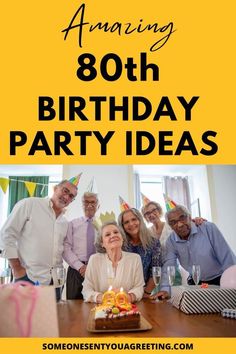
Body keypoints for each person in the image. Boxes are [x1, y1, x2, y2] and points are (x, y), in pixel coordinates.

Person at [0, 178, 78, 299]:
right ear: (55, 188)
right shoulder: (29, 204)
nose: (66, 197)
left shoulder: (65, 222)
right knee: (25, 317)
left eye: (71, 196)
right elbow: (6, 234)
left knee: (53, 318)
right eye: (65, 191)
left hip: (56, 284)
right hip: (29, 279)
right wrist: (17, 269)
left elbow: (63, 250)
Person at [156, 205, 236, 300]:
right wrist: (165, 289)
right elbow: (169, 266)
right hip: (196, 283)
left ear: (190, 217)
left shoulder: (209, 228)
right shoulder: (171, 241)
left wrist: (232, 285)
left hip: (219, 280)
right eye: (173, 222)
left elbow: (227, 258)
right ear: (170, 226)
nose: (180, 225)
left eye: (182, 218)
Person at [82, 221, 144, 303]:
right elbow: (86, 290)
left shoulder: (135, 259)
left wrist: (128, 297)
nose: (113, 235)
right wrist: (103, 298)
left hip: (126, 308)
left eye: (116, 232)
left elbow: (139, 288)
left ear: (122, 238)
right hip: (101, 310)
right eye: (107, 234)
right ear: (102, 243)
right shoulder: (94, 260)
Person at [63, 191, 99, 299]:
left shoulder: (103, 224)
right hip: (76, 271)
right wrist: (81, 267)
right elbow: (66, 247)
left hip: (97, 270)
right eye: (86, 202)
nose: (89, 205)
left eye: (93, 202)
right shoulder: (72, 224)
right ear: (82, 204)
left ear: (98, 204)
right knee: (73, 307)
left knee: (97, 304)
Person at [118, 208, 161, 296]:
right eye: (126, 222)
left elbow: (156, 271)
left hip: (145, 292)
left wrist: (145, 293)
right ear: (122, 226)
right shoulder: (120, 244)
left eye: (134, 219)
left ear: (140, 220)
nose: (131, 224)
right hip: (122, 293)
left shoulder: (153, 243)